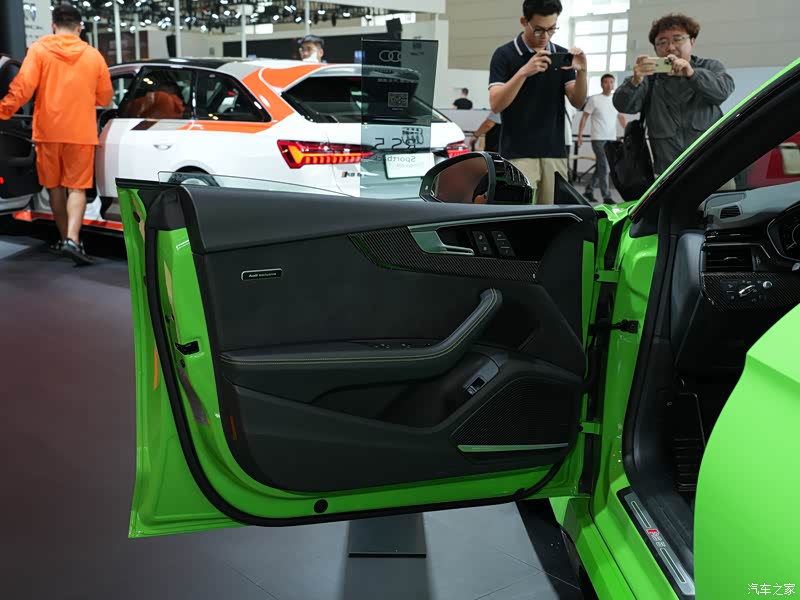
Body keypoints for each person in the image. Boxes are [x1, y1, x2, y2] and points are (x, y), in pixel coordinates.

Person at [0, 3, 112, 265]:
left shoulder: (39, 50)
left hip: (48, 132)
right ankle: (73, 239)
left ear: (53, 26)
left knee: (55, 188)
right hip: (80, 132)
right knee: (77, 188)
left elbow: (22, 89)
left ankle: (64, 239)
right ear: (80, 27)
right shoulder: (93, 56)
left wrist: (3, 111)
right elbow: (106, 97)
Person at [489, 0, 587, 205]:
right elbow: (496, 104)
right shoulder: (504, 55)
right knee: (520, 215)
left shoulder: (560, 55)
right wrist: (524, 72)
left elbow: (577, 101)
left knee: (553, 215)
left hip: (554, 152)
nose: (545, 36)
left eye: (552, 29)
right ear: (524, 21)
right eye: (539, 30)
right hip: (518, 153)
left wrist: (583, 73)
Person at [613, 13, 734, 175]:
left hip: (714, 165)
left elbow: (723, 91)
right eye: (662, 42)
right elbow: (623, 105)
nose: (670, 47)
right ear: (655, 49)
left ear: (692, 42)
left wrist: (692, 74)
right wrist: (634, 82)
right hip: (668, 173)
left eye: (677, 39)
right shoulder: (649, 78)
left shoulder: (709, 67)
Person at [578, 73, 627, 203]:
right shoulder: (594, 99)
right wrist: (580, 135)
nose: (609, 85)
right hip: (598, 138)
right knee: (604, 166)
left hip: (611, 138)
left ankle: (589, 190)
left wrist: (627, 132)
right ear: (601, 84)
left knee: (601, 165)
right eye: (606, 82)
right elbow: (584, 117)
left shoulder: (616, 100)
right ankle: (607, 196)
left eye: (611, 82)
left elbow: (621, 117)